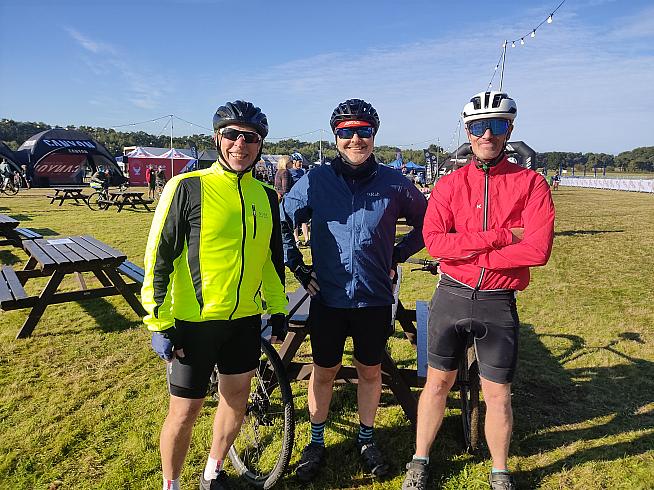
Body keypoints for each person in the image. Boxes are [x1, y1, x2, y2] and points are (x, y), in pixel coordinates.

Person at [401, 91, 554, 490]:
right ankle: (419, 460)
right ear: (467, 132)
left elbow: (537, 250)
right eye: (478, 126)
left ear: (510, 130)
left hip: (497, 300)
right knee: (437, 382)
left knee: (498, 393)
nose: (488, 134)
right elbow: (435, 243)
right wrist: (502, 237)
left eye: (498, 125)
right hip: (451, 295)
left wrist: (470, 253)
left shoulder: (532, 183)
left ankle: (499, 470)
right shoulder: (449, 185)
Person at [141, 100, 288, 490]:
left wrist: (277, 309)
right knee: (184, 412)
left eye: (250, 138)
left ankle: (213, 471)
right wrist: (158, 321)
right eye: (232, 135)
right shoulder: (187, 187)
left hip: (242, 321)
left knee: (236, 399)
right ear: (216, 139)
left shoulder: (267, 196)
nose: (240, 144)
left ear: (260, 145)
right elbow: (158, 257)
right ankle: (170, 485)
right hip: (193, 322)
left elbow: (272, 261)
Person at [281, 98, 428, 483]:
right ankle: (315, 441)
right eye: (346, 132)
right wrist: (297, 266)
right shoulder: (315, 180)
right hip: (328, 298)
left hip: (374, 297)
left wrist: (396, 253)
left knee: (370, 370)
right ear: (335, 138)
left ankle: (366, 437)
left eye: (364, 131)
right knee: (324, 371)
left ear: (374, 136)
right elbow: (282, 221)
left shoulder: (395, 183)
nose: (356, 139)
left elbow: (428, 223)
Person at [289, 153, 310, 247]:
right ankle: (296, 239)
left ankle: (307, 238)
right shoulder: (289, 172)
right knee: (295, 221)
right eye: (299, 162)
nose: (301, 164)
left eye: (301, 162)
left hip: (303, 198)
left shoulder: (303, 172)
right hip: (293, 199)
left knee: (304, 220)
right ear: (294, 162)